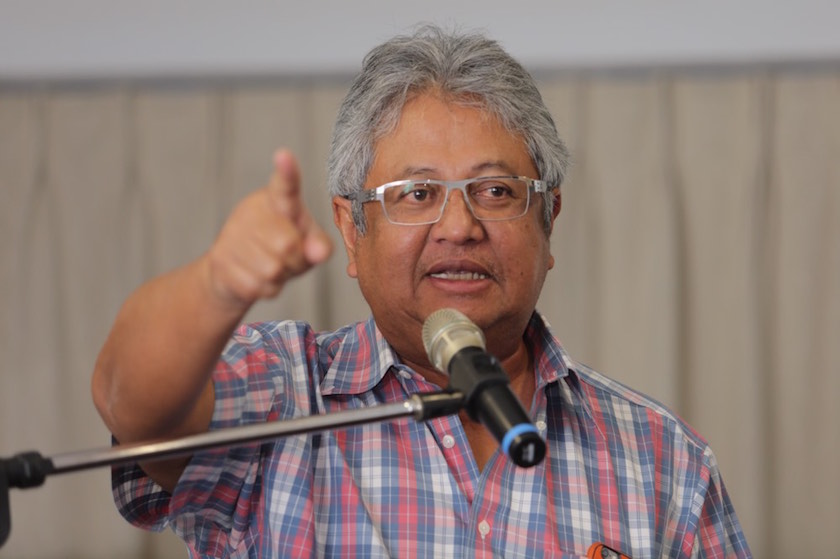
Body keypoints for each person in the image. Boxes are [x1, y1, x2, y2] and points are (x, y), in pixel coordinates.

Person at [92, 25, 751, 558]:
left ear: (549, 220)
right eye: (417, 194)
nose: (459, 227)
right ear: (353, 229)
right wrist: (219, 282)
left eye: (495, 192)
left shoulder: (661, 457)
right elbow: (132, 404)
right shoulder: (287, 397)